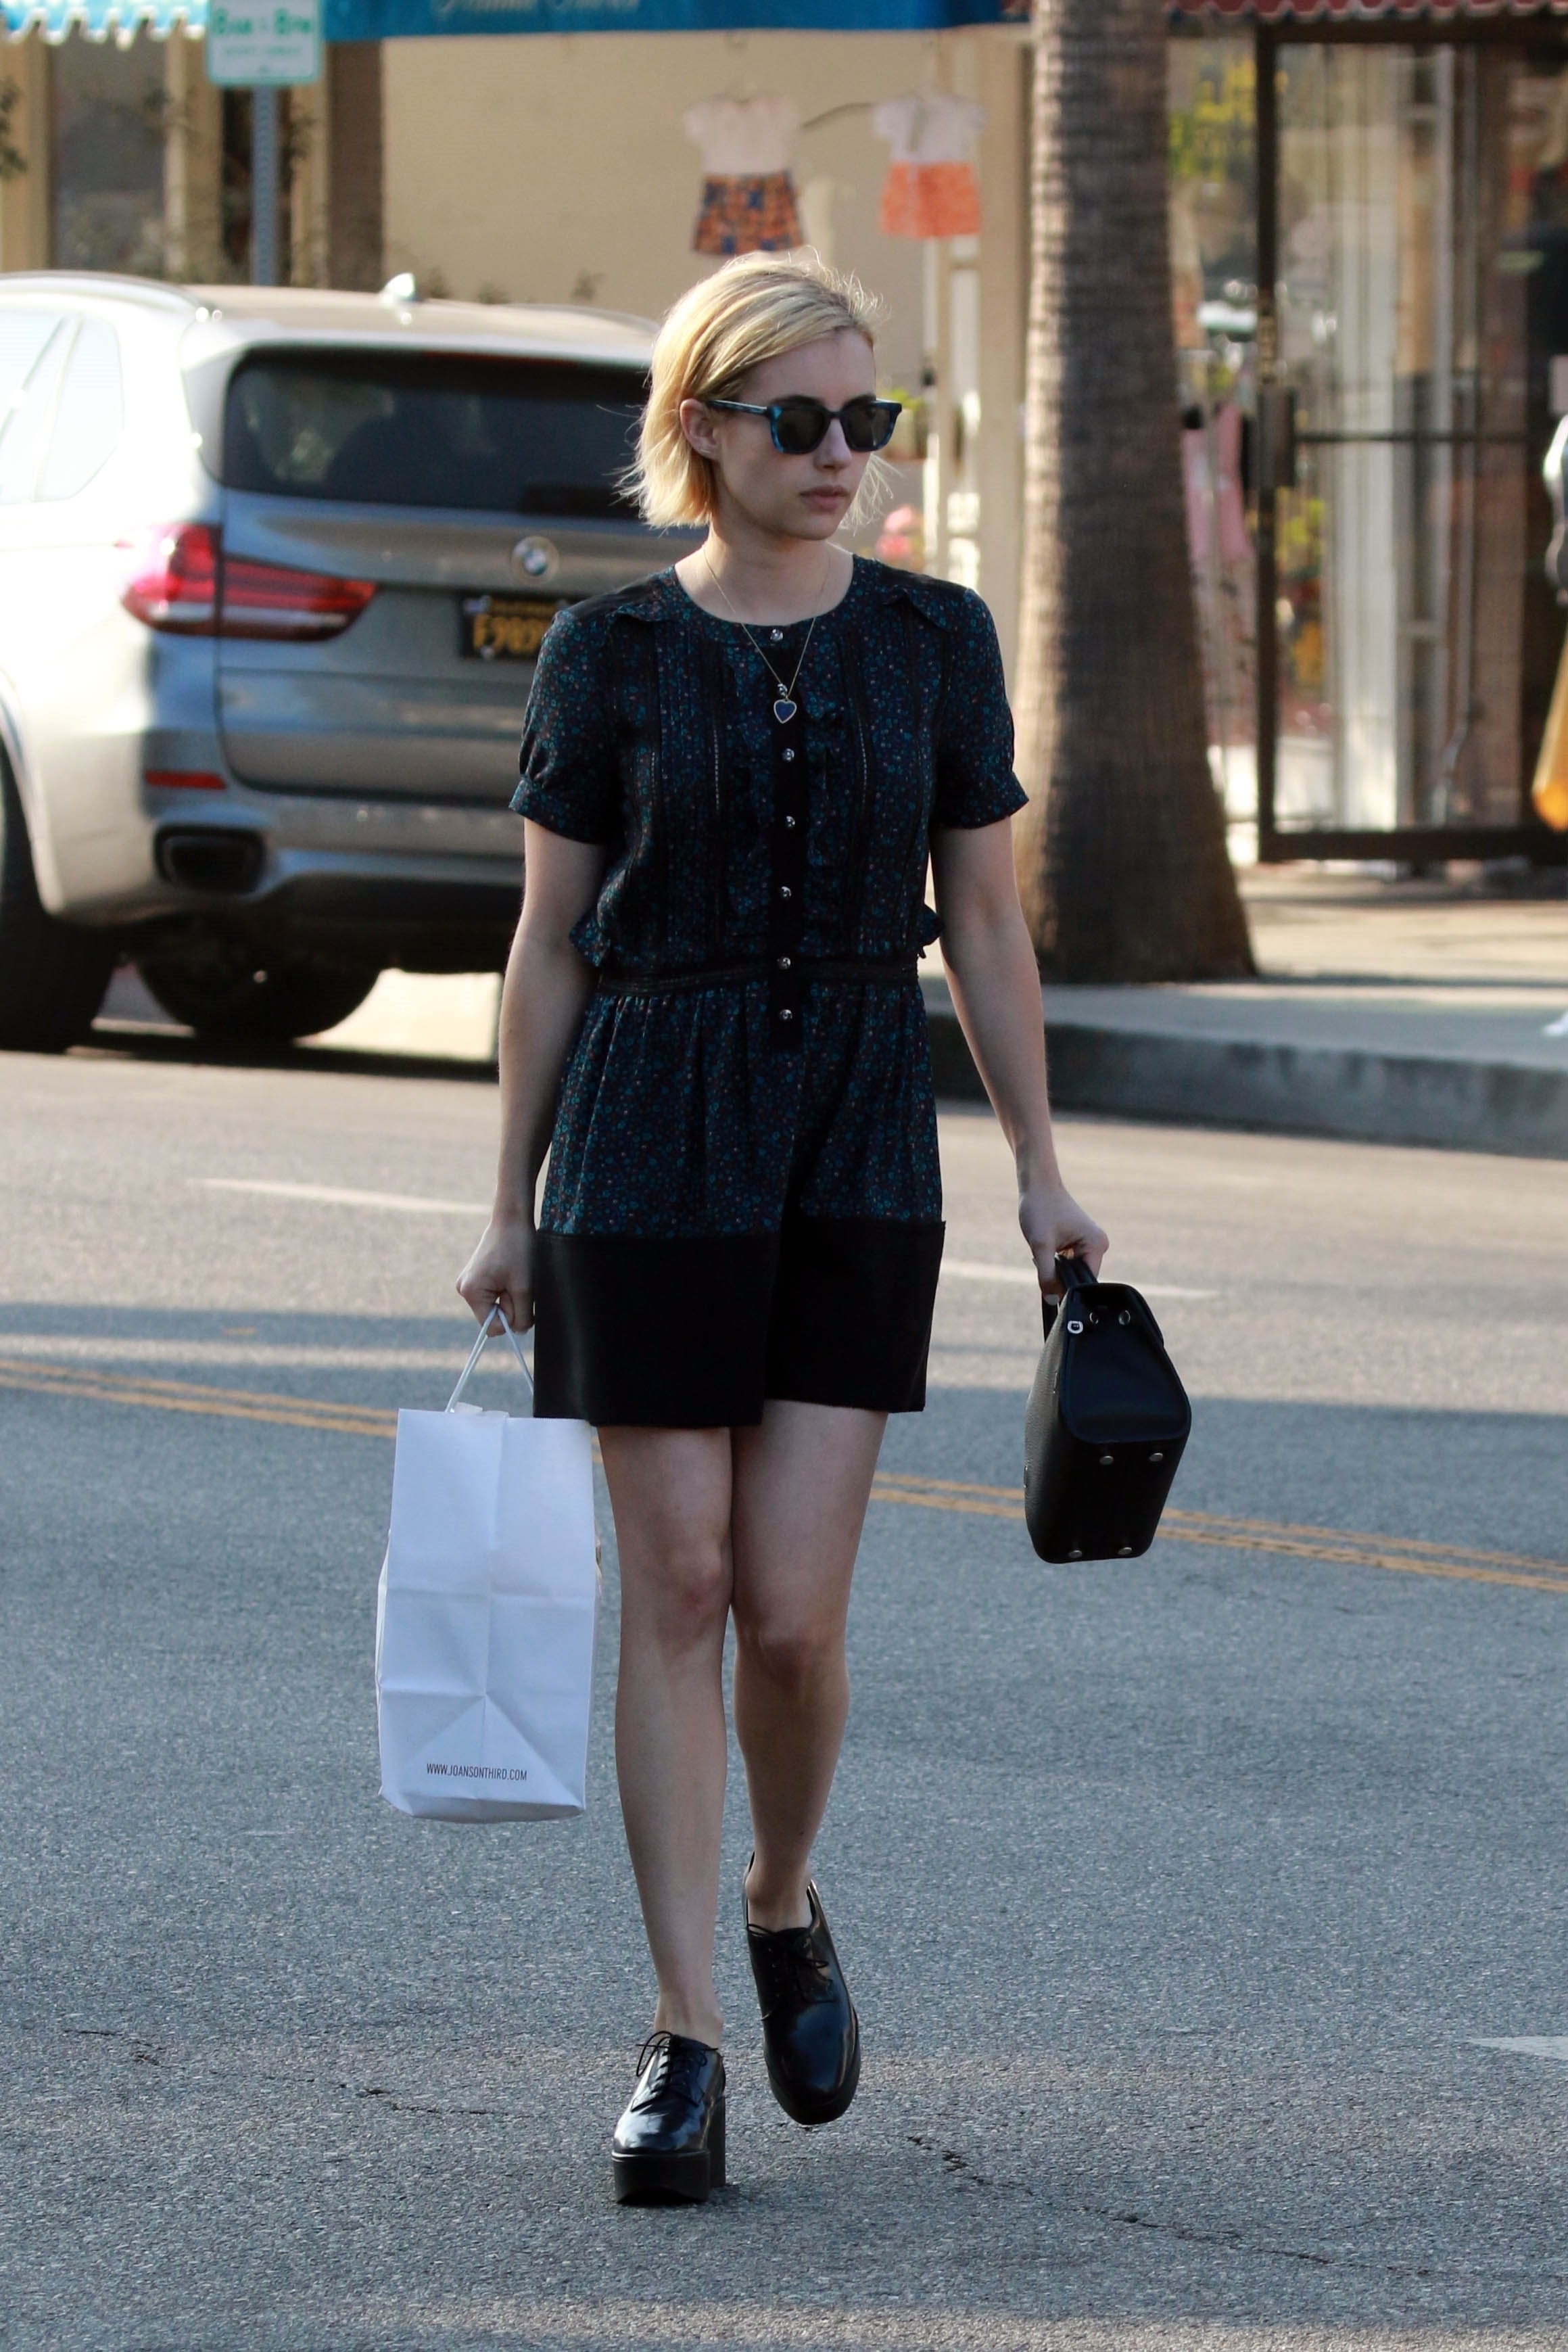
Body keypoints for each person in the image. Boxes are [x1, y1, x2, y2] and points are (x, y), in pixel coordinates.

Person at [457, 250, 1107, 2206]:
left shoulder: (934, 638)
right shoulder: (611, 656)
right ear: (702, 429)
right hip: (648, 1136)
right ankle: (683, 2037)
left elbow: (982, 920)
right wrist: (507, 1202)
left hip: (852, 1142)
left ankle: (781, 1892)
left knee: (794, 1613)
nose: (841, 454)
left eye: (865, 417)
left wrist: (1040, 1167)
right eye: (800, 419)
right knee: (673, 1588)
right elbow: (549, 945)